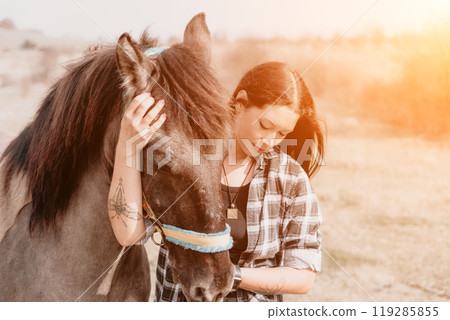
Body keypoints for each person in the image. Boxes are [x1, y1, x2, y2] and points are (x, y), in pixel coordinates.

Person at [108, 62, 325, 302]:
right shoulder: (182, 160)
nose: (270, 141)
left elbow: (303, 276)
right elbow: (129, 234)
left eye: (282, 134)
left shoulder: (290, 177)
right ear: (240, 103)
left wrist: (231, 276)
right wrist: (127, 142)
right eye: (265, 125)